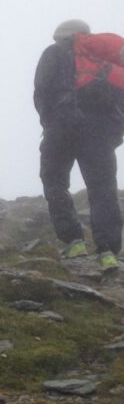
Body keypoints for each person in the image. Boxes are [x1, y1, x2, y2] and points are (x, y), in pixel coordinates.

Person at [34, 19, 124, 272]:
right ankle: (108, 252)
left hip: (62, 127)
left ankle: (74, 242)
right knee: (103, 188)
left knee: (54, 180)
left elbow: (41, 90)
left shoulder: (53, 53)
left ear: (61, 36)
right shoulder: (103, 62)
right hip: (100, 133)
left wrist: (48, 123)